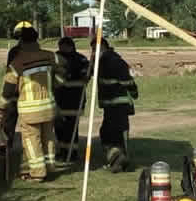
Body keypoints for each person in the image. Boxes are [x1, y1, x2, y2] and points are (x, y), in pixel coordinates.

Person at [0, 26, 60, 182]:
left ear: (21, 41)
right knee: (48, 137)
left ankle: (38, 173)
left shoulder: (17, 63)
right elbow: (61, 74)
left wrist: (1, 107)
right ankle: (50, 167)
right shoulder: (50, 56)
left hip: (30, 109)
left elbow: (8, 91)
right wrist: (55, 86)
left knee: (32, 140)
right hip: (49, 106)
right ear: (36, 39)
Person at [93, 38, 138, 172]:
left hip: (119, 102)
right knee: (107, 132)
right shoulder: (100, 62)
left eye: (95, 49)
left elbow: (127, 81)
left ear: (104, 47)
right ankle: (116, 158)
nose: (93, 52)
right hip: (109, 104)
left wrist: (134, 92)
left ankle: (123, 159)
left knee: (119, 131)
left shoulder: (114, 61)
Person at [54, 37, 89, 164]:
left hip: (74, 99)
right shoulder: (56, 58)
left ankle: (72, 153)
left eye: (63, 46)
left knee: (71, 128)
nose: (61, 49)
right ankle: (62, 152)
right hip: (60, 98)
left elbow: (87, 75)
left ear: (70, 46)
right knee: (59, 128)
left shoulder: (80, 59)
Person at [1, 20, 31, 148]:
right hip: (28, 92)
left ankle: (6, 147)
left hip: (15, 92)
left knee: (8, 121)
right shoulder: (36, 51)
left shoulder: (14, 51)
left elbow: (10, 71)